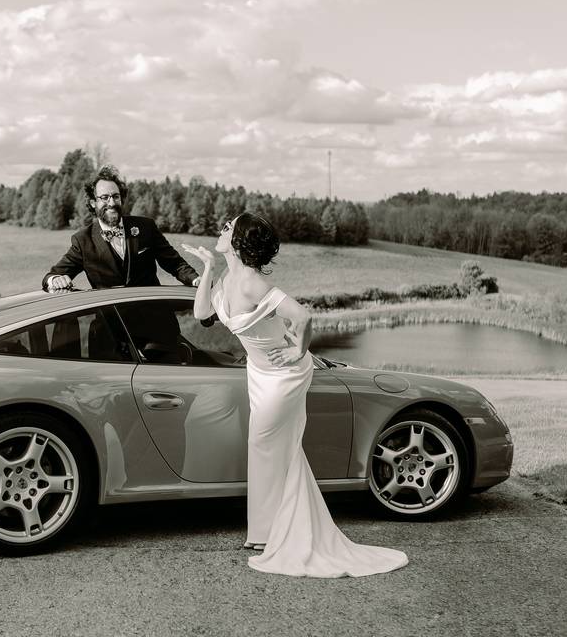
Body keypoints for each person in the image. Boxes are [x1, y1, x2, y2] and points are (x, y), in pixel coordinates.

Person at [182, 213, 408, 578]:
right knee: (273, 449)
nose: (220, 230)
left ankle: (272, 533)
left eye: (227, 227)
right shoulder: (227, 276)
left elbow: (302, 318)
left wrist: (298, 353)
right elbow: (202, 311)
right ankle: (265, 533)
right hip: (259, 373)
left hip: (283, 374)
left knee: (262, 442)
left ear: (239, 241)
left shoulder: (253, 284)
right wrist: (208, 267)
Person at [42, 165, 200, 291]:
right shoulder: (83, 241)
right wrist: (55, 279)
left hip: (155, 322)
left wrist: (196, 279)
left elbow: (175, 264)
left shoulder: (146, 227)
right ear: (92, 203)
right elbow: (53, 275)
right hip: (110, 327)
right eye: (104, 197)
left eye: (115, 196)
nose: (111, 203)